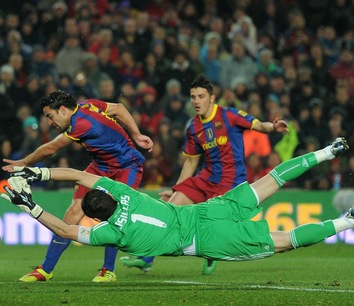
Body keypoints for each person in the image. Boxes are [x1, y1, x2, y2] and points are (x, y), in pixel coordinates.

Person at [1, 137, 354, 274]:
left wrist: (29, 207)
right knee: (272, 180)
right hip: (210, 209)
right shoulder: (126, 193)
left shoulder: (110, 231)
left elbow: (67, 230)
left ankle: (348, 221)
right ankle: (329, 150)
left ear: (94, 215)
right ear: (112, 195)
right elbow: (79, 175)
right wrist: (37, 173)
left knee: (286, 240)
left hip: (208, 238)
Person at [122, 74, 289, 275]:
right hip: (206, 178)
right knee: (170, 208)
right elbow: (191, 161)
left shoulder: (229, 115)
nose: (196, 101)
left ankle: (212, 255)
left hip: (231, 182)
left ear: (211, 97)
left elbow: (260, 125)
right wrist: (177, 189)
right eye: (193, 97)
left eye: (201, 96)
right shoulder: (194, 126)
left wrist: (274, 127)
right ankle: (147, 258)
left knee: (214, 225)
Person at [2, 90, 153, 283]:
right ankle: (45, 270)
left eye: (50, 116)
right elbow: (119, 109)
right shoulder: (86, 105)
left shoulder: (81, 123)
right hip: (101, 166)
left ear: (63, 110)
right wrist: (137, 135)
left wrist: (24, 162)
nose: (49, 122)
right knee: (74, 211)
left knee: (116, 215)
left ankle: (108, 270)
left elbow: (50, 148)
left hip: (127, 166)